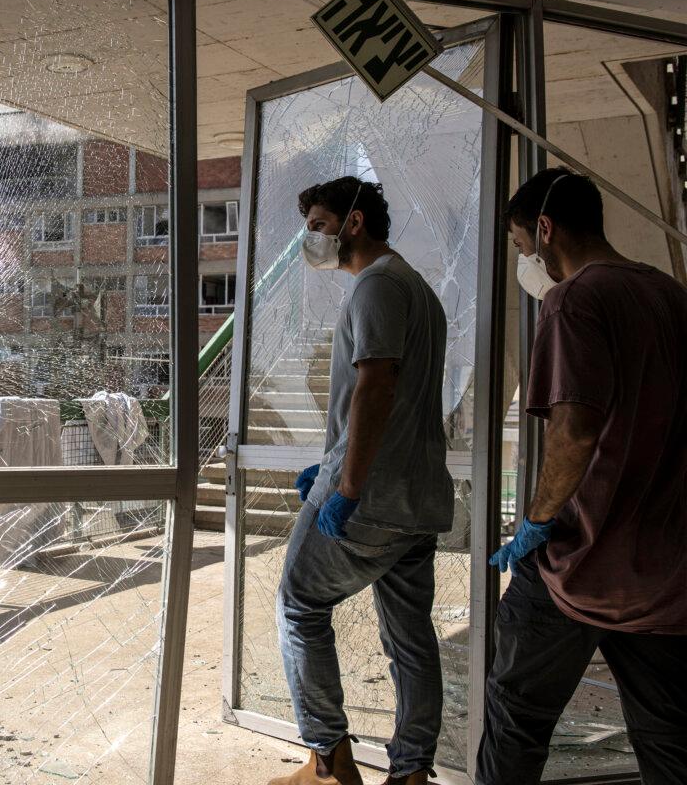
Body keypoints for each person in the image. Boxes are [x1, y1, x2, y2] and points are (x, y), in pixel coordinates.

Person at [476, 168, 687, 784]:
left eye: (521, 247)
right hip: (665, 577)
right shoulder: (673, 297)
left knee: (515, 720)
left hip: (581, 565)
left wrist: (534, 524)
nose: (525, 262)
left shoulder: (575, 300)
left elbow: (573, 433)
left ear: (543, 230)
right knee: (671, 742)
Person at [269, 177, 454, 785]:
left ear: (353, 224)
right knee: (409, 637)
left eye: (318, 225)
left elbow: (377, 384)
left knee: (298, 604)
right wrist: (331, 464)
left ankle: (329, 762)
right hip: (417, 498)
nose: (310, 239)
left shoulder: (376, 285)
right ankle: (411, 774)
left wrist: (346, 484)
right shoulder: (418, 291)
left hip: (370, 497)